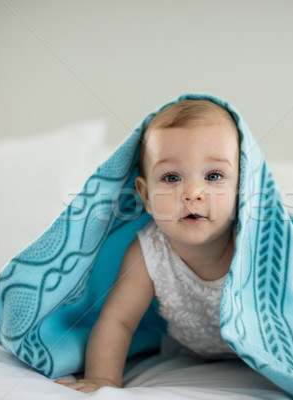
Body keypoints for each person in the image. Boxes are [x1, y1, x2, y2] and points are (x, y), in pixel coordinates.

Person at [56, 99, 240, 393]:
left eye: (214, 176)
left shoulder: (252, 248)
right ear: (145, 196)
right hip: (188, 351)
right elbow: (118, 321)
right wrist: (103, 380)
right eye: (171, 177)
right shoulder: (149, 251)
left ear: (241, 186)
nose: (193, 193)